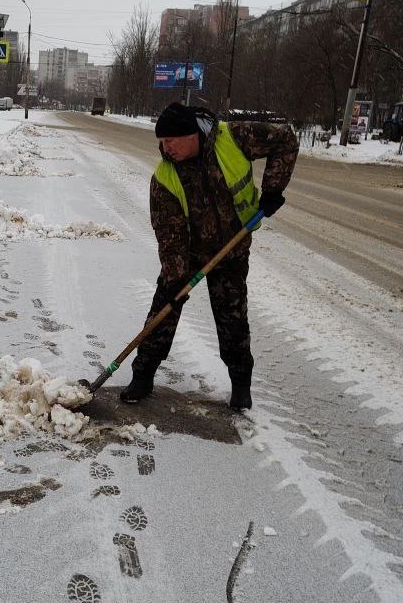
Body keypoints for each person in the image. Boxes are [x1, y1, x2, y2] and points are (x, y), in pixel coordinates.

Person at [120, 103, 298, 410]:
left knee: (233, 317)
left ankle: (241, 384)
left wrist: (272, 190)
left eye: (171, 141)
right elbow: (170, 236)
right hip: (188, 251)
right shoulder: (164, 178)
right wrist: (177, 279)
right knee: (165, 306)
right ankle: (143, 375)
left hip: (233, 246)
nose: (166, 148)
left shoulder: (234, 138)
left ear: (192, 134)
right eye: (161, 142)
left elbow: (285, 140)